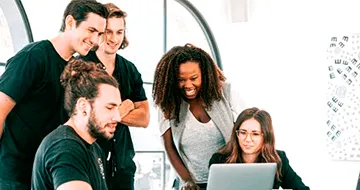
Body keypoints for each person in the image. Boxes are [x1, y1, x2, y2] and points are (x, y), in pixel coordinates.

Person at [0, 0, 108, 188]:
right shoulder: (33, 57)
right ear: (70, 23)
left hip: (46, 173)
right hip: (14, 176)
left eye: (99, 34)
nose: (96, 40)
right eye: (91, 30)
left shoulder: (73, 69)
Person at [152, 44, 245, 190]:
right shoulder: (168, 103)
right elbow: (169, 147)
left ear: (205, 74)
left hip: (230, 180)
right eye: (181, 79)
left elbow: (248, 135)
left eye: (194, 78)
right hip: (192, 185)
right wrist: (187, 181)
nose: (188, 85)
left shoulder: (227, 93)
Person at [79, 3, 150, 189]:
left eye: (119, 32)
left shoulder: (129, 70)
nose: (114, 38)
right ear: (99, 32)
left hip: (123, 166)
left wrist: (111, 112)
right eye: (108, 32)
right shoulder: (81, 67)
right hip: (89, 163)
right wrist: (125, 108)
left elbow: (144, 118)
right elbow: (81, 115)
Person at [31, 58, 121, 189]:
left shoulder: (94, 149)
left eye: (118, 107)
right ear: (83, 106)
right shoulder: (65, 148)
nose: (118, 117)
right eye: (109, 107)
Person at [209, 107, 310, 190]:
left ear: (265, 136)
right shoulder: (219, 160)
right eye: (243, 132)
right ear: (237, 134)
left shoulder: (279, 159)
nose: (248, 139)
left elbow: (301, 188)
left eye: (255, 134)